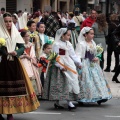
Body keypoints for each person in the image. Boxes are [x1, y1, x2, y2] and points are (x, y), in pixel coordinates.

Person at [0, 13, 40, 120]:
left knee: (12, 88)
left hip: (13, 62)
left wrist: (16, 52)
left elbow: (22, 47)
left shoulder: (15, 33)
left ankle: (10, 113)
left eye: (10, 21)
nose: (8, 23)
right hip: (2, 62)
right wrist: (4, 51)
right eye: (6, 21)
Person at [42, 28, 82, 110]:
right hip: (60, 65)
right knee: (61, 84)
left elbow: (73, 55)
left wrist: (78, 63)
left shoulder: (68, 44)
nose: (69, 37)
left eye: (69, 35)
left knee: (70, 82)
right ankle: (66, 102)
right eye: (67, 35)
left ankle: (66, 101)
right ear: (62, 35)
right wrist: (61, 66)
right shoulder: (57, 44)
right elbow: (56, 57)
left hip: (68, 63)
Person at [75, 27, 112, 105]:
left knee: (97, 79)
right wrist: (79, 64)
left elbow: (95, 53)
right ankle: (83, 97)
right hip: (85, 63)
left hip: (93, 65)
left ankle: (100, 96)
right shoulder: (81, 44)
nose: (93, 35)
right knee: (86, 80)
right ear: (85, 35)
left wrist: (96, 57)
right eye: (91, 34)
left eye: (93, 34)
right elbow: (78, 55)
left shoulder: (93, 42)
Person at [20, 31, 42, 95]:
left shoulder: (31, 45)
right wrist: (25, 56)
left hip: (30, 62)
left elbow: (33, 55)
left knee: (33, 77)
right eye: (27, 36)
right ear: (23, 37)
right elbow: (18, 56)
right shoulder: (20, 45)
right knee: (26, 76)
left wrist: (33, 60)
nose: (29, 37)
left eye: (29, 36)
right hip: (23, 62)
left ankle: (33, 93)